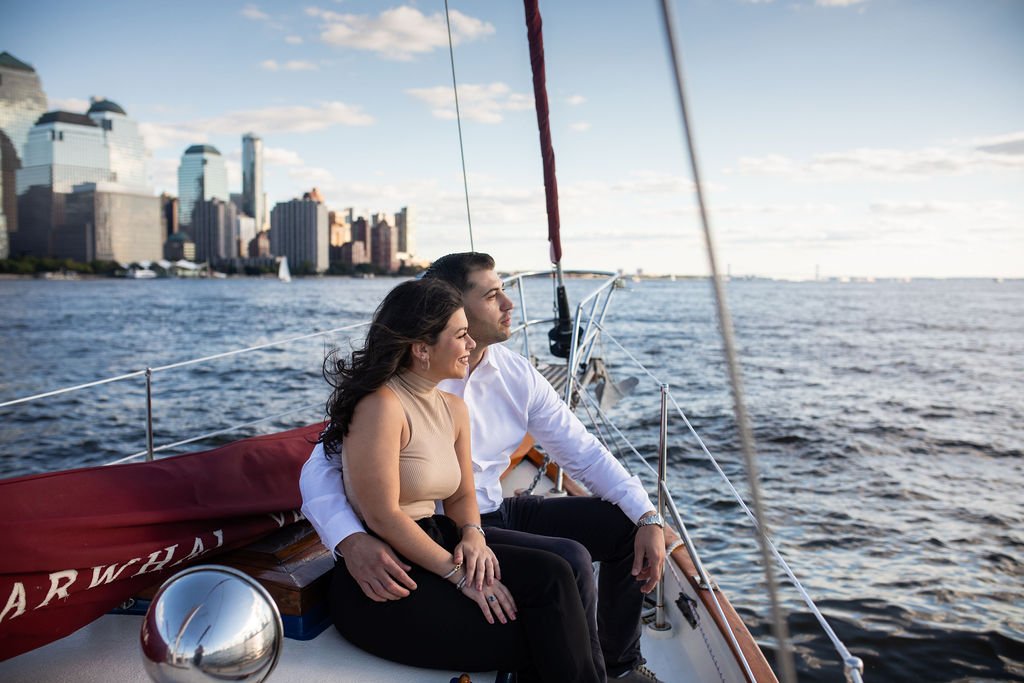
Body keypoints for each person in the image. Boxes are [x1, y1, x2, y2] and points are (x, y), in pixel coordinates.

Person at [302, 253, 666, 683]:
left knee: (624, 527)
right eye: (493, 295)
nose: (509, 305)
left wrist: (648, 515)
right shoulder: (395, 391)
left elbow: (582, 452)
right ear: (447, 305)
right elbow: (322, 468)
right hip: (429, 530)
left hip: (486, 514)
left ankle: (620, 667)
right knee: (568, 561)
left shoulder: (512, 377)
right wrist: (350, 539)